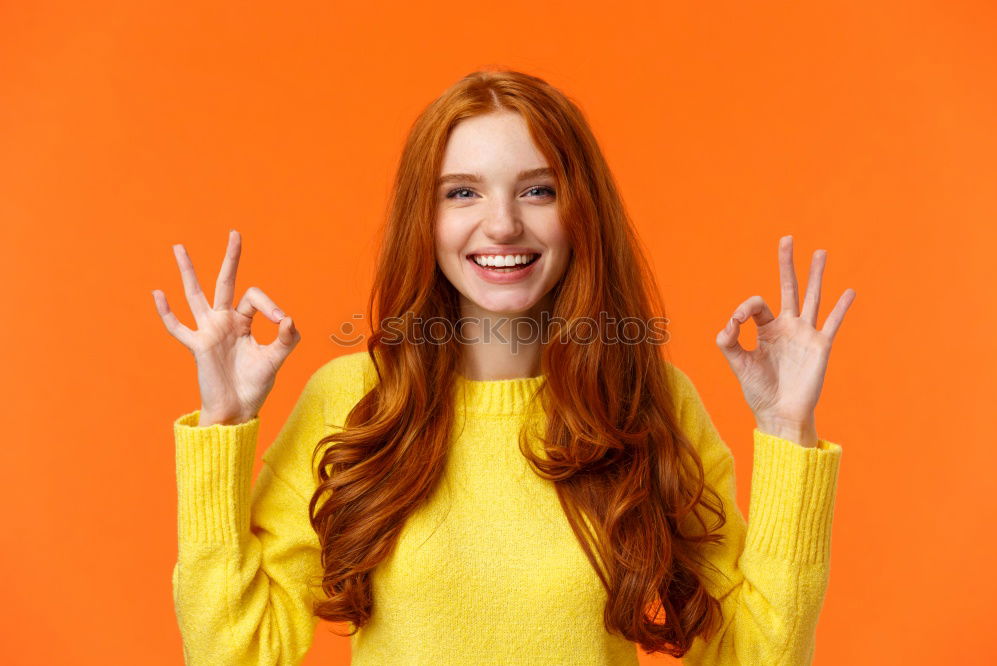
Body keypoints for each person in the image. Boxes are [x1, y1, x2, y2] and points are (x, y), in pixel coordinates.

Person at [152, 69, 856, 665]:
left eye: (537, 190)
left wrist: (787, 426)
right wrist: (224, 422)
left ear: (581, 212)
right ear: (423, 220)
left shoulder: (647, 400)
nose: (501, 225)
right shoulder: (353, 402)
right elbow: (235, 653)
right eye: (462, 192)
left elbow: (756, 653)